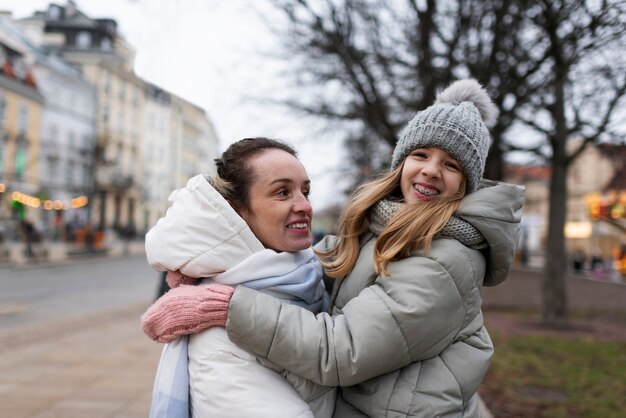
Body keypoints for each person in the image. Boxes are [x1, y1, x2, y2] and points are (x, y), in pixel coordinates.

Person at [142, 79, 525, 417]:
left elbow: (342, 351)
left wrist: (226, 306)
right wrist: (214, 264)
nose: (430, 170)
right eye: (421, 154)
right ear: (402, 160)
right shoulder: (388, 226)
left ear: (466, 184)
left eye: (451, 164)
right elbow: (324, 260)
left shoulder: (444, 259)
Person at [145, 137, 335, 418]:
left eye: (305, 191)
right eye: (283, 192)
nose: (304, 206)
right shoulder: (218, 338)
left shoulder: (311, 278)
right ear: (236, 211)